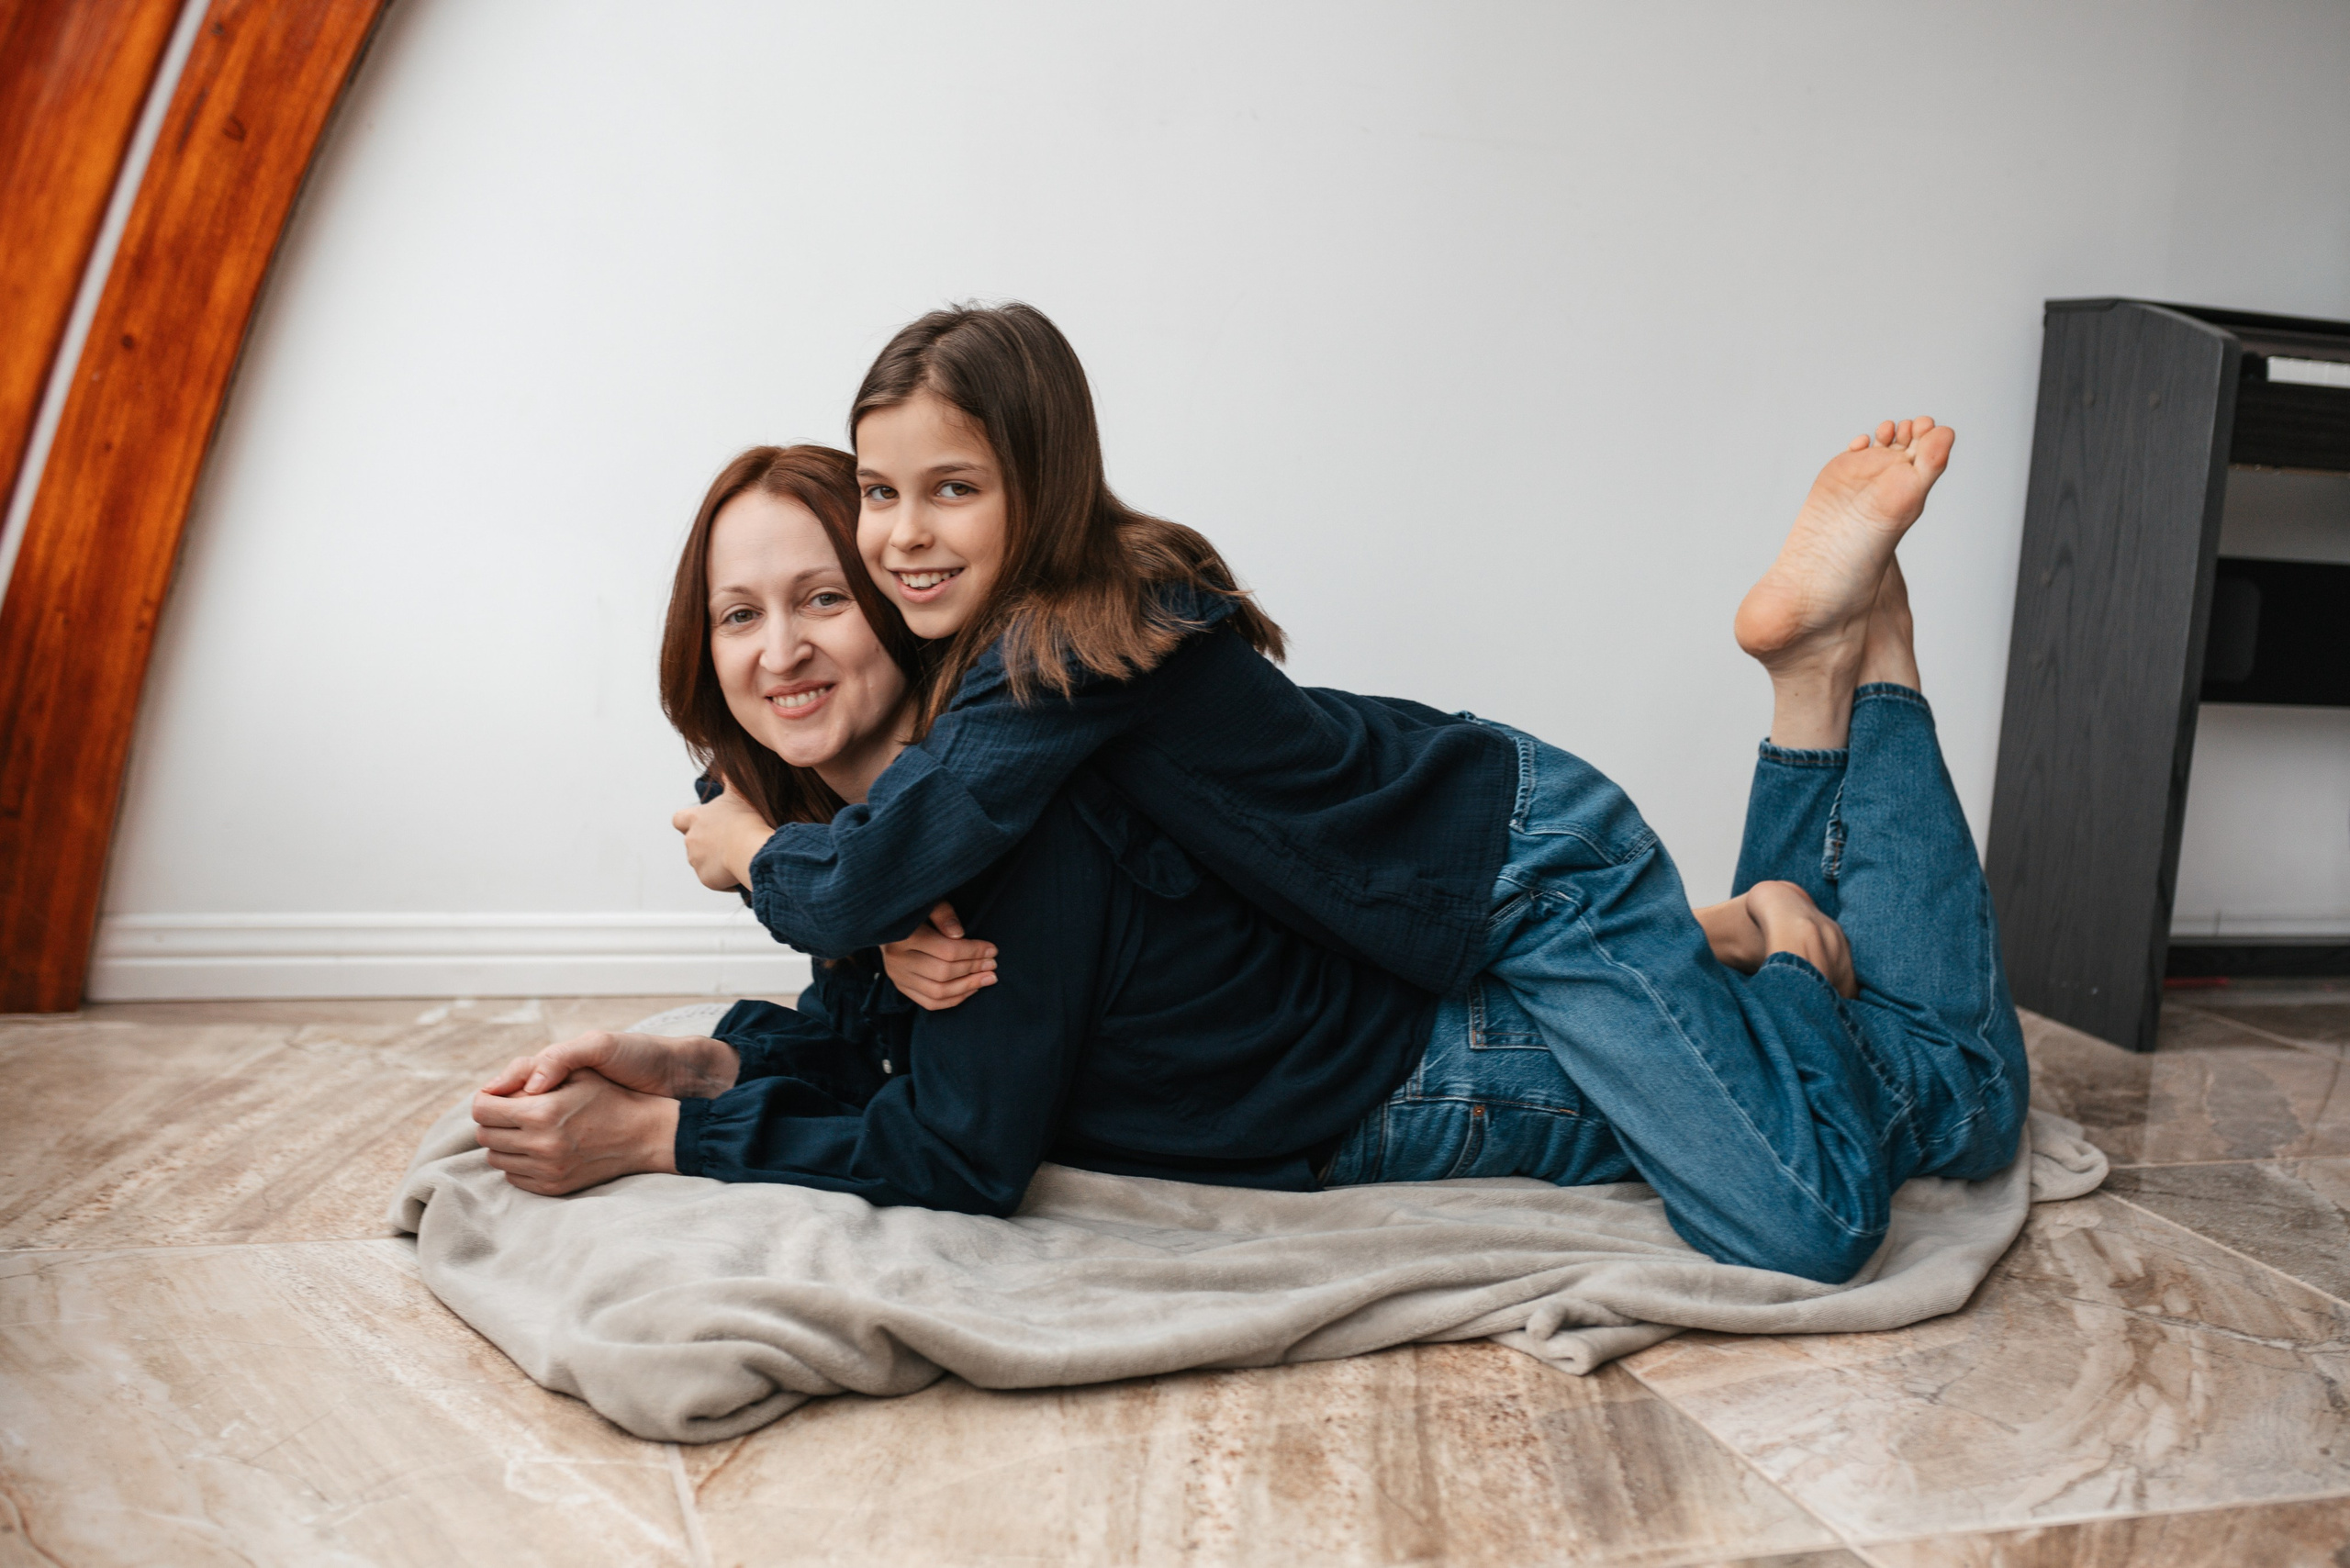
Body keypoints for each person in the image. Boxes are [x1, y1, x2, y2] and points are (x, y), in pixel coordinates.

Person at [476, 386, 2024, 1280]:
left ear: (904, 598)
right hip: (1431, 998)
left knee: (1947, 1103)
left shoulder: (1008, 793)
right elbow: (881, 1033)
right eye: (740, 616)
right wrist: (708, 1059)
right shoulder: (925, 820)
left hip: (1462, 1076)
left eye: (821, 598)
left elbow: (953, 1145)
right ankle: (1815, 708)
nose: (781, 650)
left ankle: (1848, 702)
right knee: (1894, 1086)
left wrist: (671, 1134)